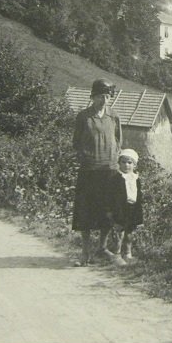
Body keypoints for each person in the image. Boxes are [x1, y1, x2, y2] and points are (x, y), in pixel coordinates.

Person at [71, 78, 122, 266]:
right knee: (86, 211)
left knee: (107, 211)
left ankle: (102, 247)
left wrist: (113, 159)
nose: (104, 100)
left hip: (109, 170)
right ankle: (85, 252)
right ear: (93, 97)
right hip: (89, 170)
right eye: (100, 96)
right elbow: (76, 142)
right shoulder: (83, 117)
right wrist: (87, 156)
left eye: (107, 96)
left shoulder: (114, 116)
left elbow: (118, 141)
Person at [108, 148, 144, 265]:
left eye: (129, 163)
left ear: (134, 165)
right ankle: (117, 254)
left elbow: (139, 195)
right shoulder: (116, 178)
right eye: (123, 162)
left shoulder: (136, 178)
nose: (126, 165)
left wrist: (139, 211)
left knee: (130, 232)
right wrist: (112, 211)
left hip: (132, 208)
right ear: (119, 163)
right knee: (120, 232)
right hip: (120, 209)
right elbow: (113, 196)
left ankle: (128, 253)